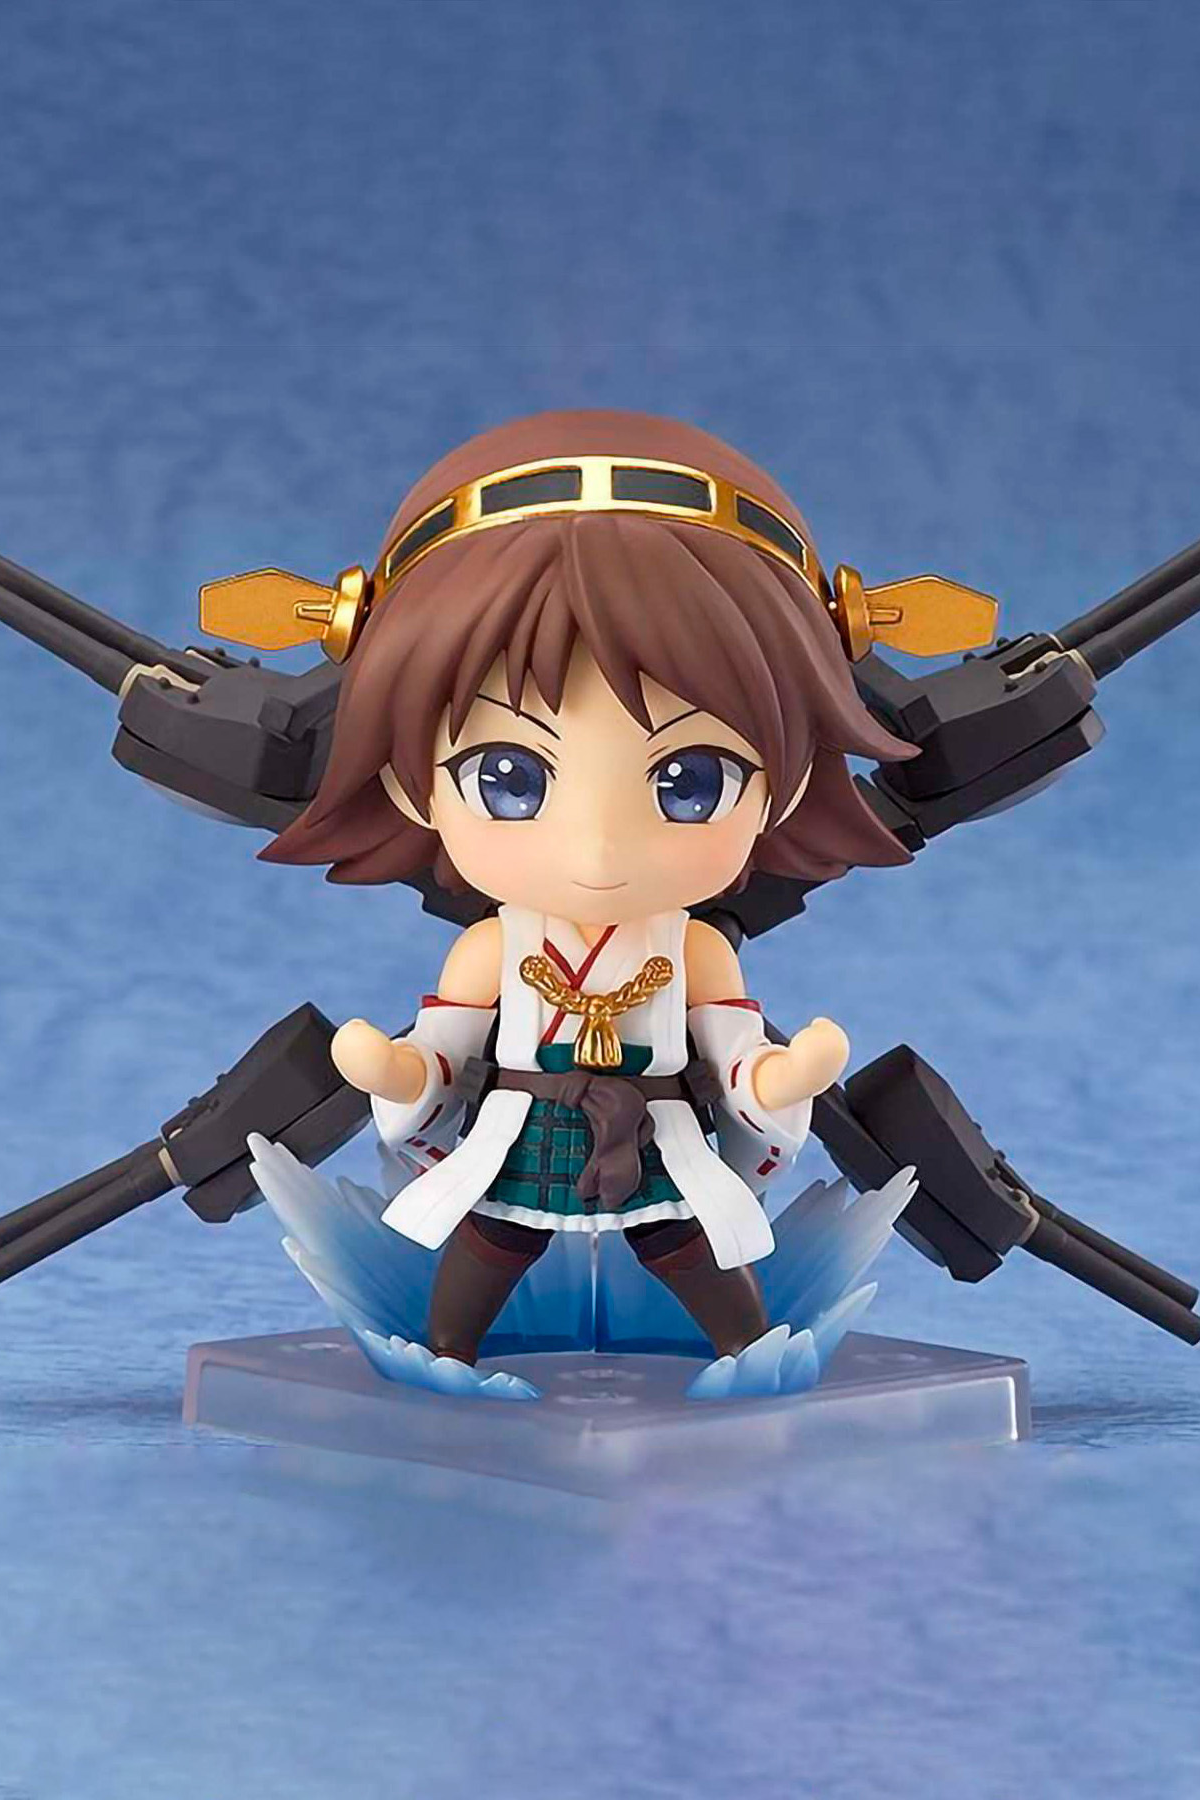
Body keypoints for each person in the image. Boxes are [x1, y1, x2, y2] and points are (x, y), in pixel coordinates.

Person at [259, 408, 918, 1389]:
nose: (600, 850)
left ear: (779, 790)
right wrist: (395, 1071)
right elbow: (446, 1048)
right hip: (525, 1117)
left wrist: (780, 1078)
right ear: (410, 784)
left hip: (653, 1121)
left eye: (689, 782)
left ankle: (749, 1351)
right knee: (494, 1237)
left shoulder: (692, 949)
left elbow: (732, 1049)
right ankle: (447, 1356)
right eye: (509, 780)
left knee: (682, 1239)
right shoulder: (496, 946)